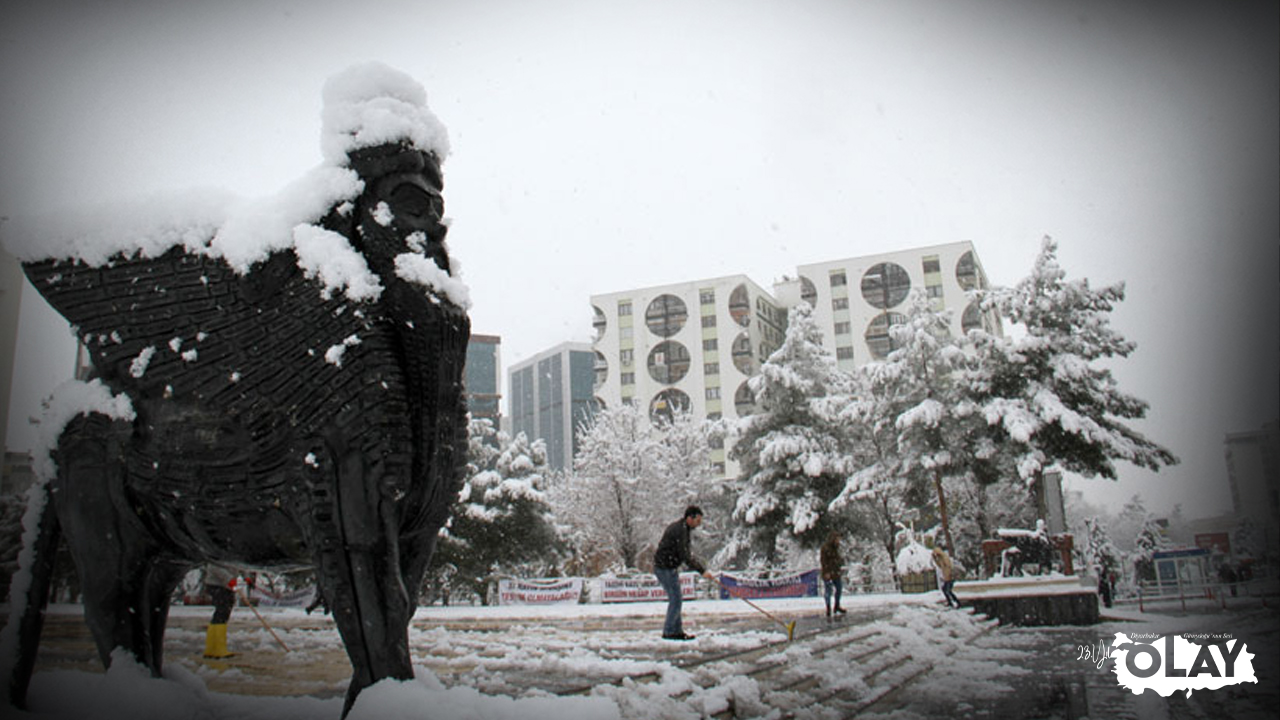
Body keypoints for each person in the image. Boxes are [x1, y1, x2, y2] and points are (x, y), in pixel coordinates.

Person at [653, 505, 715, 640]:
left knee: (677, 599)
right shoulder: (680, 530)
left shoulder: (683, 529)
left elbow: (685, 554)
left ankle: (676, 630)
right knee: (675, 599)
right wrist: (702, 571)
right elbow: (686, 556)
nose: (699, 524)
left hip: (668, 567)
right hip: (664, 568)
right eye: (697, 521)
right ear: (689, 518)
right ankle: (670, 631)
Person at [202, 564, 242, 658]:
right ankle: (218, 648)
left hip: (226, 586)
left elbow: (238, 565)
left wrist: (246, 576)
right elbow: (214, 566)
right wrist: (229, 579)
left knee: (221, 614)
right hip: (217, 585)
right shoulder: (218, 551)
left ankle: (211, 648)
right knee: (222, 613)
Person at [820, 531, 846, 618]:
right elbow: (823, 561)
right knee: (828, 590)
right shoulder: (826, 548)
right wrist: (826, 572)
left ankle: (836, 606)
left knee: (839, 588)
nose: (838, 541)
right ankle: (828, 607)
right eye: (837, 539)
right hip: (828, 572)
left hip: (836, 572)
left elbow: (837, 559)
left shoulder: (836, 548)